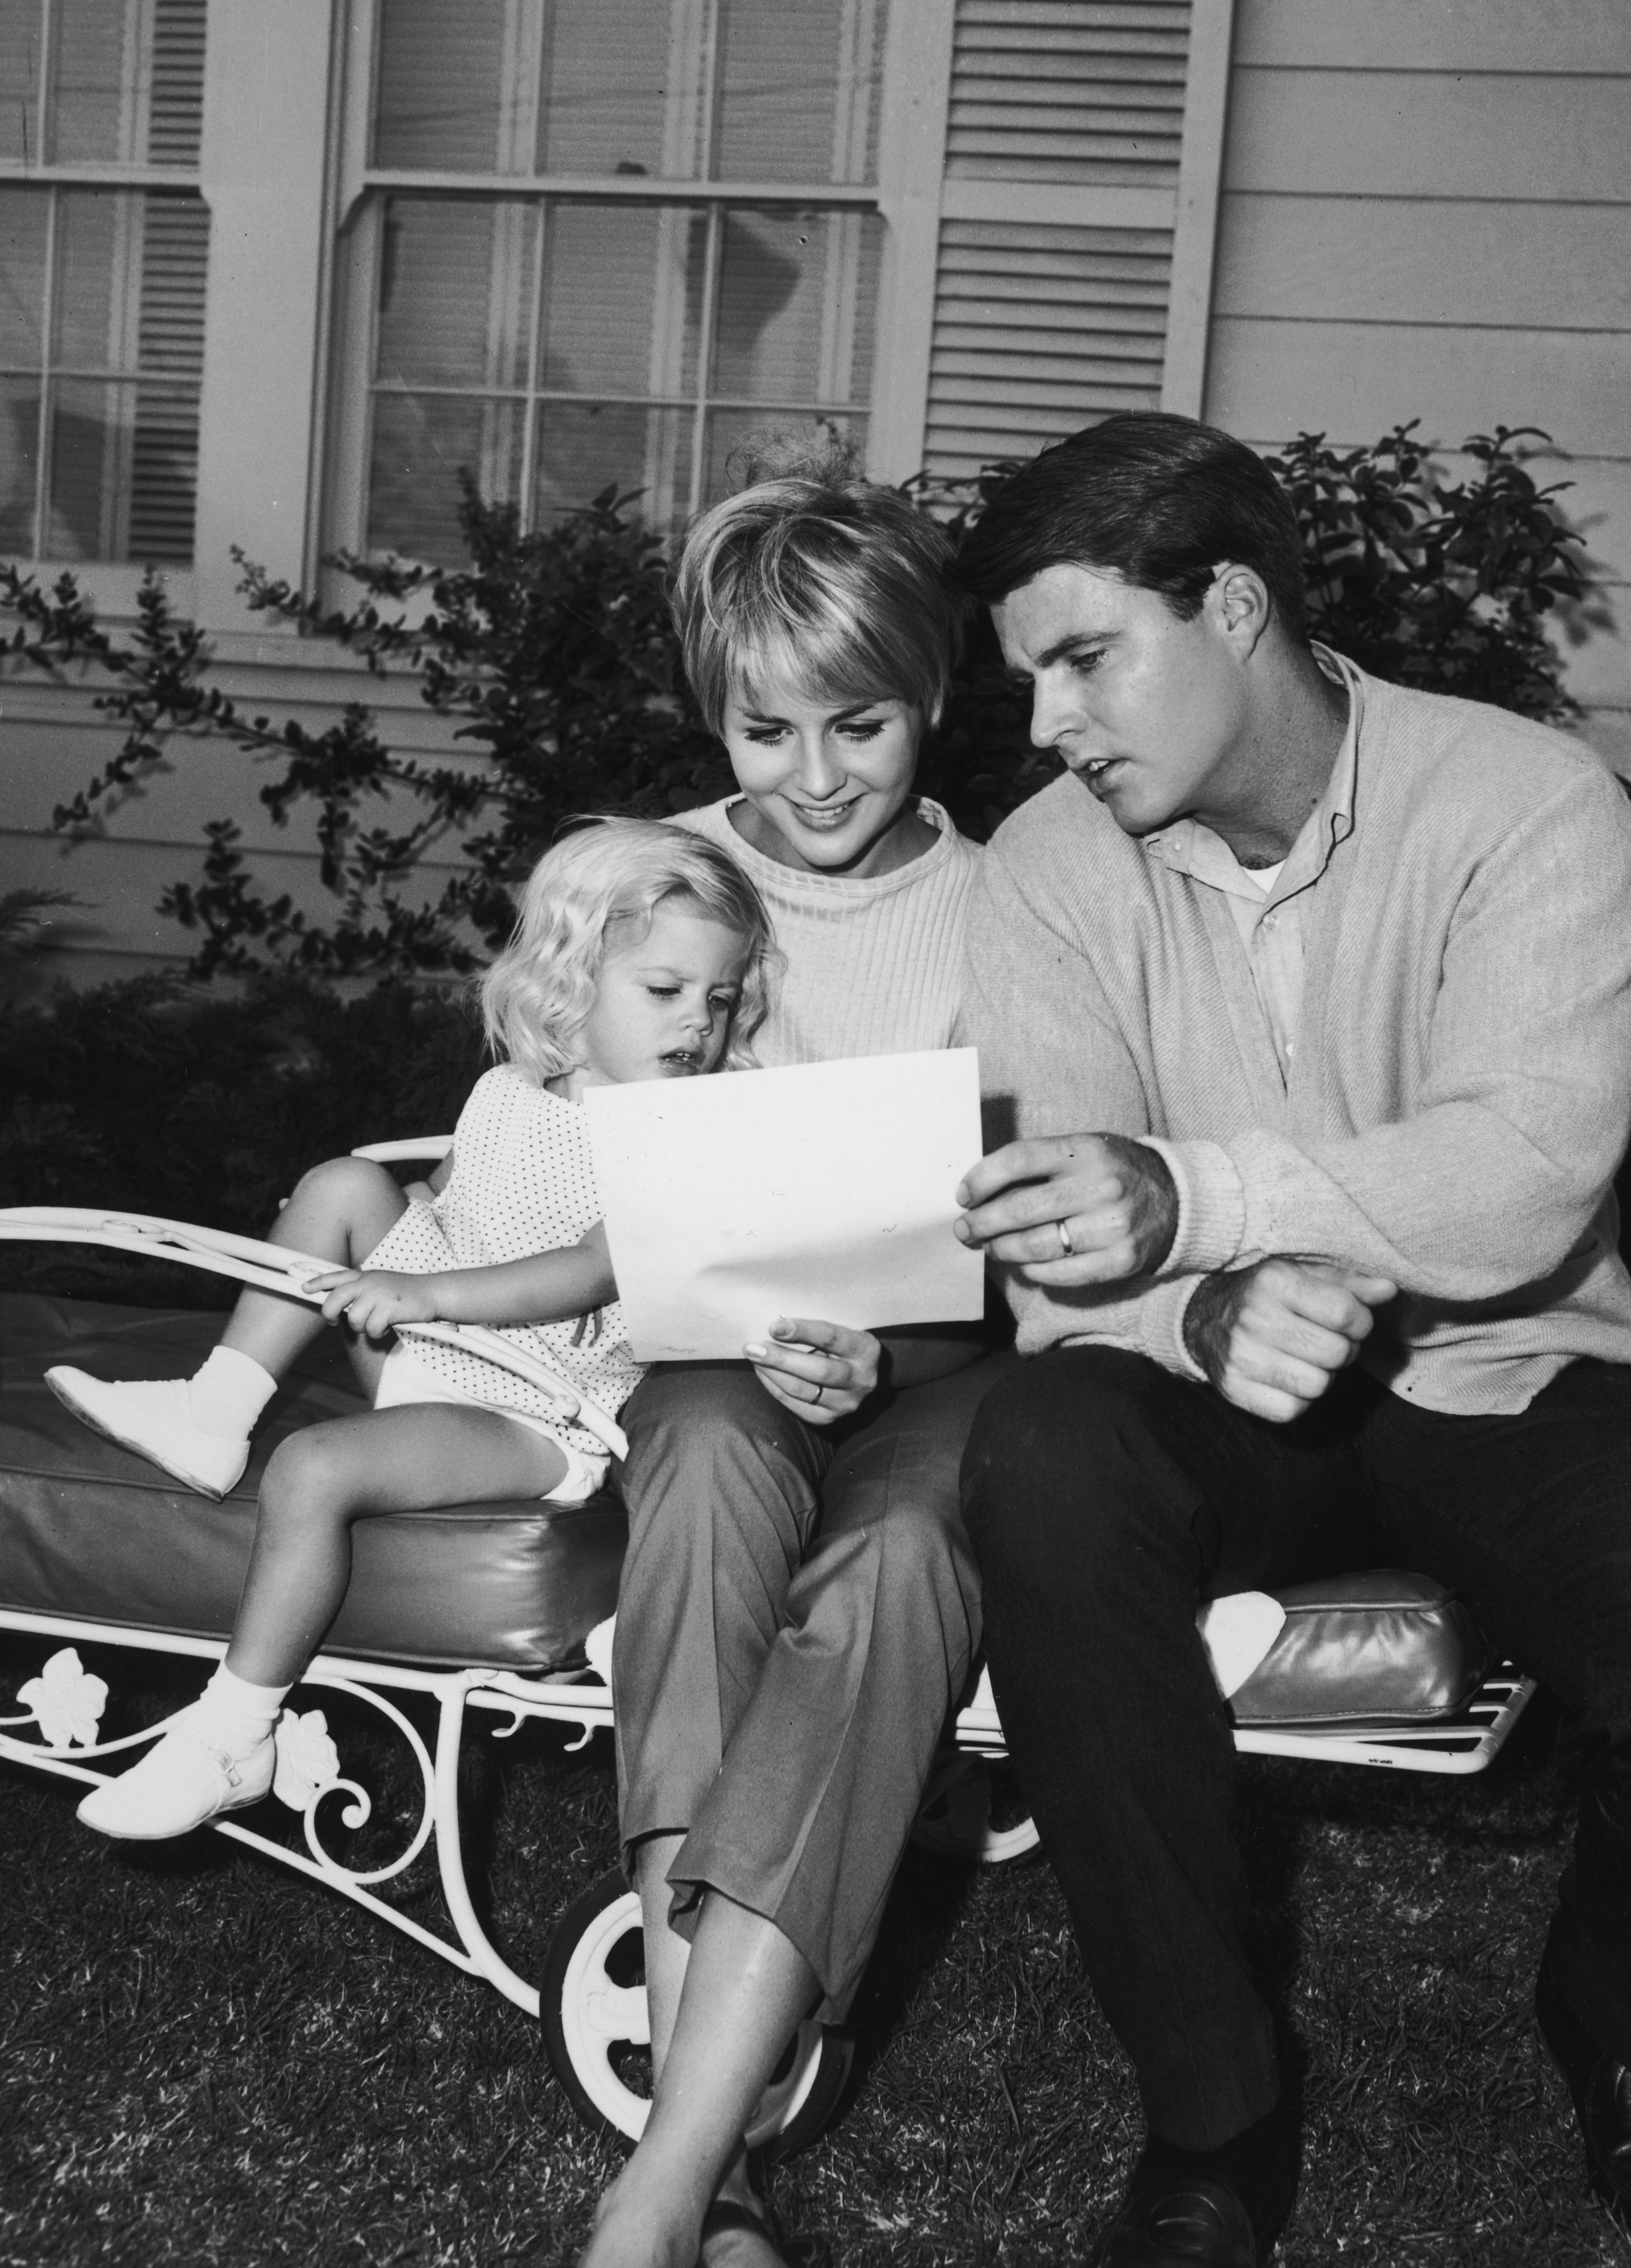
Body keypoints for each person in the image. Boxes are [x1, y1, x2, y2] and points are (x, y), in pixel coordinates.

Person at [948, 413, 1631, 2265]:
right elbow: (1067, 1249)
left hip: (1504, 1371)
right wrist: (1206, 1301)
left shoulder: (1528, 801)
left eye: (1083, 659)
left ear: (1232, 603)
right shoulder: (1049, 865)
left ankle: (1617, 2024)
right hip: (1219, 1387)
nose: (1047, 723)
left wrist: (1206, 1207)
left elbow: (1527, 1171)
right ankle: (1216, 2116)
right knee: (1041, 1452)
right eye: (1030, 678)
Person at [579, 459, 1008, 2268]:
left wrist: (894, 1332)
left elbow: (1039, 1228)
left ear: (932, 702)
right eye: (767, 729)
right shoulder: (656, 888)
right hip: (718, 1353)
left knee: (905, 1557)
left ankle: (666, 2192)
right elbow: (571, 1127)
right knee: (698, 1467)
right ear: (713, 714)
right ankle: (717, 2181)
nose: (815, 777)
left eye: (863, 723)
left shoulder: (1015, 905)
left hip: (957, 1366)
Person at [48, 819, 775, 1843]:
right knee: (346, 1181)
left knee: (312, 1468)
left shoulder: (669, 1137)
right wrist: (405, 1244)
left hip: (530, 1405)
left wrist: (425, 1297)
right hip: (441, 1340)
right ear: (571, 974)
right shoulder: (512, 1087)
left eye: (721, 996)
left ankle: (232, 1733)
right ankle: (216, 1408)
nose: (698, 1020)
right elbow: (459, 1196)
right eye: (665, 990)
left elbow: (584, 1272)